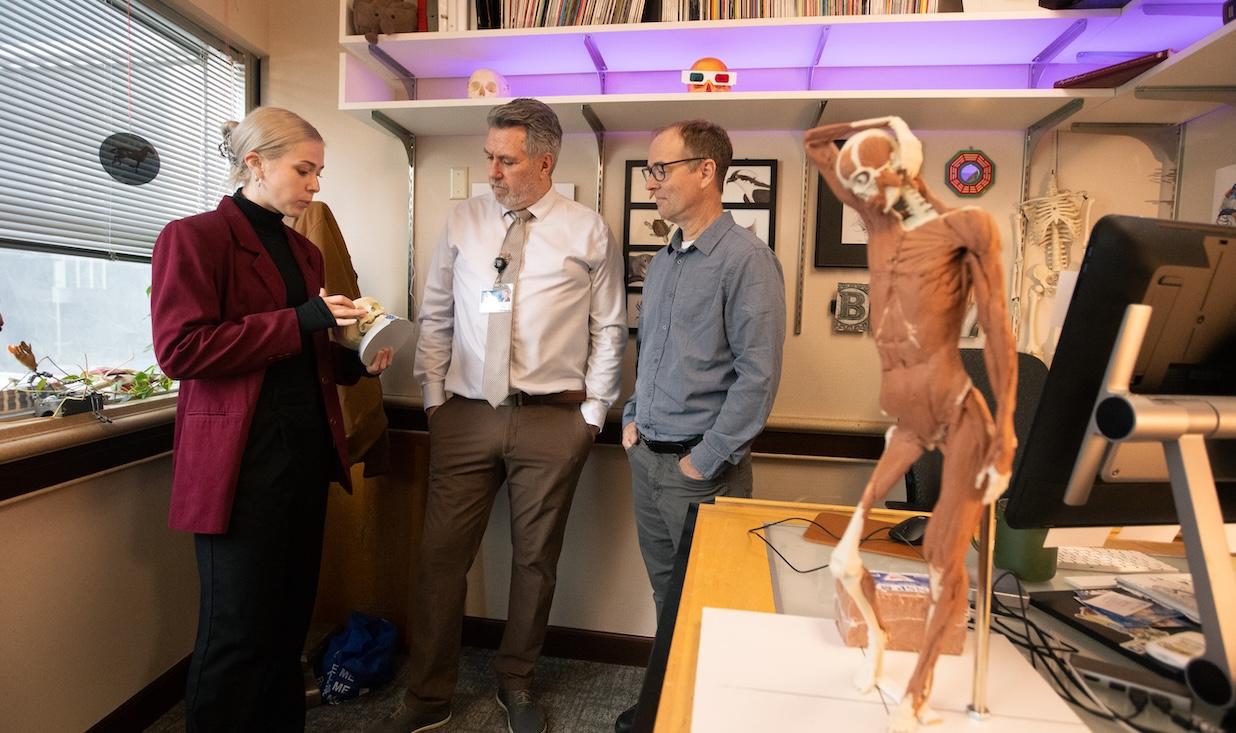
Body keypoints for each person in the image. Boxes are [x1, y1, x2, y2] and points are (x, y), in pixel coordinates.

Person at [375, 98, 626, 733]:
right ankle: (429, 697)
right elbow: (434, 313)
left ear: (544, 161)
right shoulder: (463, 221)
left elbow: (609, 328)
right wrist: (433, 396)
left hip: (552, 419)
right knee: (439, 558)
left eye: (506, 160)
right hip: (464, 414)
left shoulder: (588, 230)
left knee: (535, 560)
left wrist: (593, 412)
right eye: (488, 157)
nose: (492, 170)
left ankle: (516, 683)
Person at [150, 107, 393, 733]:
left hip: (305, 458)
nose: (315, 185)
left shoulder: (305, 253)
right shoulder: (193, 236)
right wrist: (302, 320)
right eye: (304, 170)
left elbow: (304, 357)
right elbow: (181, 351)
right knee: (236, 635)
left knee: (287, 626)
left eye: (319, 172)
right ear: (254, 163)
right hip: (242, 467)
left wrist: (358, 363)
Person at [805, 117, 1017, 731]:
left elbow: (999, 330)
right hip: (907, 419)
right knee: (845, 556)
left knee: (940, 558)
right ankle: (877, 652)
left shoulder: (965, 229)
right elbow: (816, 145)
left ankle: (919, 692)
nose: (867, 191)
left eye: (874, 174)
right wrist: (871, 132)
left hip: (958, 413)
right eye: (858, 182)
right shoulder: (878, 224)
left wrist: (1005, 431)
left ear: (907, 162)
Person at [614, 119, 786, 733]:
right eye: (650, 171)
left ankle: (697, 716)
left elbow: (758, 377)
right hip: (648, 462)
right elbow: (653, 352)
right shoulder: (663, 261)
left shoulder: (747, 261)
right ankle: (668, 705)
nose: (652, 182)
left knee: (707, 603)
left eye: (663, 169)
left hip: (698, 472)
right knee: (668, 596)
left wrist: (704, 459)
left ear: (705, 171)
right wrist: (633, 416)